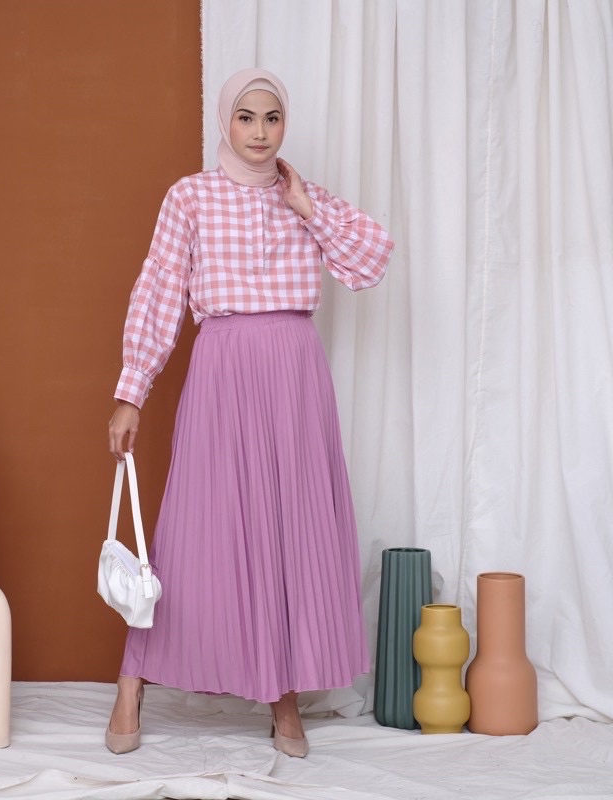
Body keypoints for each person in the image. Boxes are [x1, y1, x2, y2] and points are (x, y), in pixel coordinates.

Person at [106, 68, 393, 758]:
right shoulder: (191, 196)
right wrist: (131, 392)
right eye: (246, 117)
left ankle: (282, 695)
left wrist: (307, 207)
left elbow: (370, 263)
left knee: (287, 529)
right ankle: (132, 682)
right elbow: (158, 291)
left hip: (295, 372)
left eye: (271, 118)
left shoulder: (302, 196)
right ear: (224, 122)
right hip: (224, 367)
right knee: (196, 529)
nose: (260, 132)